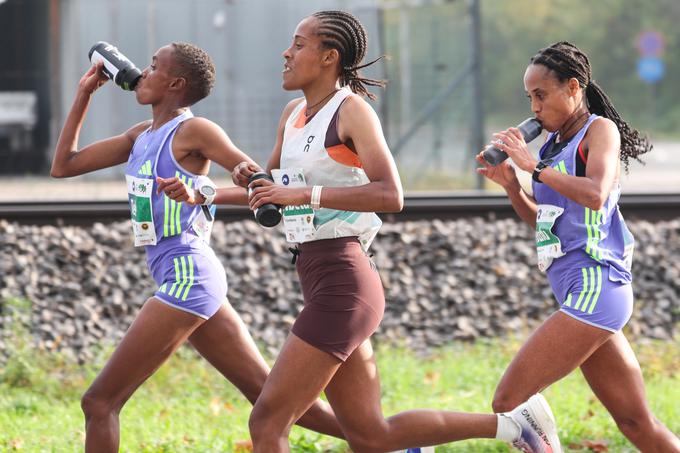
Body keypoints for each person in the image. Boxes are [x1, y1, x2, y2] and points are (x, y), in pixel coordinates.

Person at [233, 10, 561, 453]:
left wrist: (306, 196)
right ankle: (514, 426)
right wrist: (200, 195)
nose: (286, 53)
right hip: (317, 278)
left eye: (298, 44)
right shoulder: (293, 114)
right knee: (371, 436)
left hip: (344, 283)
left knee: (268, 422)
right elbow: (269, 189)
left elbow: (391, 194)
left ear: (329, 57)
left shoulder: (352, 111)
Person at [50, 42, 345, 452]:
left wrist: (223, 182)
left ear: (175, 83)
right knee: (272, 401)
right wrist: (84, 93)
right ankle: (383, 441)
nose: (142, 72)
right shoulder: (140, 136)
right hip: (188, 278)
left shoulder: (194, 131)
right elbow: (63, 166)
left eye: (153, 67)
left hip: (187, 275)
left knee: (99, 402)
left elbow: (261, 183)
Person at [476, 41, 680, 453]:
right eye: (529, 97)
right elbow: (545, 223)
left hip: (596, 287)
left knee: (507, 401)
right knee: (636, 423)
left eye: (541, 95)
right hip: (575, 288)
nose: (534, 107)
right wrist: (513, 185)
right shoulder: (552, 148)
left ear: (573, 88)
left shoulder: (598, 131)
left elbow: (596, 193)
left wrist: (532, 166)